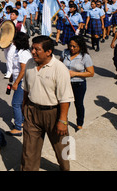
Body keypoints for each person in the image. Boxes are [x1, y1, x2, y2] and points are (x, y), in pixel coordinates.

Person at [21, 36, 74, 171]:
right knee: (29, 150)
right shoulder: (29, 63)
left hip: (54, 114)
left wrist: (62, 120)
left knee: (62, 149)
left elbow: (65, 98)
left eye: (37, 49)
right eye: (32, 48)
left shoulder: (59, 68)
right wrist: (24, 105)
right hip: (32, 112)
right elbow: (26, 88)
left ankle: (66, 169)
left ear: (48, 52)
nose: (33, 52)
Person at [60, 35, 94, 131]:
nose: (72, 48)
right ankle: (63, 122)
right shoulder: (65, 53)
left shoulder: (85, 57)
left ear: (80, 46)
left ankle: (79, 123)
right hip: (65, 83)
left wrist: (74, 74)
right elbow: (59, 65)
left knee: (78, 104)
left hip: (78, 84)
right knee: (64, 103)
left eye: (74, 46)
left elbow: (91, 73)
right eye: (70, 46)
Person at [8, 32, 31, 136]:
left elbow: (23, 69)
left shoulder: (24, 54)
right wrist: (12, 76)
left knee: (16, 104)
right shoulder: (19, 52)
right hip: (19, 79)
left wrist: (16, 82)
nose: (13, 42)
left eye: (14, 40)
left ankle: (18, 128)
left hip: (22, 81)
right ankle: (21, 122)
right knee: (20, 103)